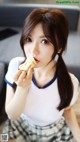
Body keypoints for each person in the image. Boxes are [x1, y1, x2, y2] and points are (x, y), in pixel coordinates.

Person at [2, 8, 80, 142]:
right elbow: (12, 115)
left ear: (59, 47)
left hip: (52, 130)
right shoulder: (16, 66)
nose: (33, 50)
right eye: (29, 39)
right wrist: (22, 88)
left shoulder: (70, 82)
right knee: (2, 137)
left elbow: (67, 110)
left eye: (44, 41)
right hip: (20, 124)